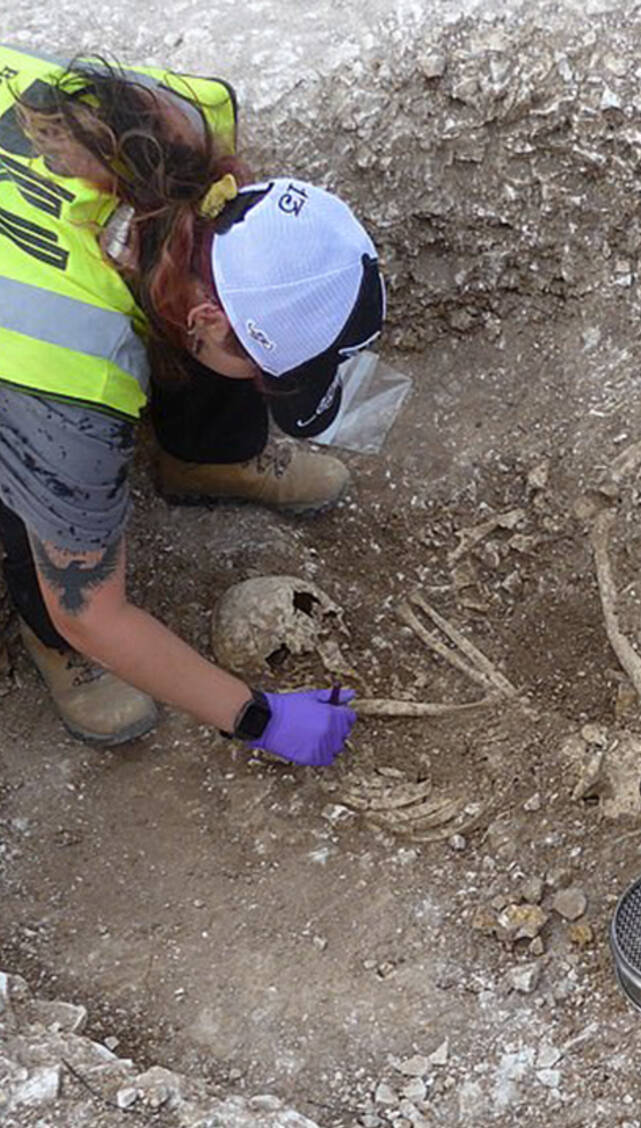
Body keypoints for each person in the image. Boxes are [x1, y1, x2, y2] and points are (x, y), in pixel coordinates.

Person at [1, 47, 384, 763]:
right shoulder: (70, 365)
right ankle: (43, 642)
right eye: (270, 376)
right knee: (33, 470)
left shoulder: (186, 124)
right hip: (18, 343)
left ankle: (204, 457)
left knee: (203, 298)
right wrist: (257, 718)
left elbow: (220, 280)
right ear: (205, 318)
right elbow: (95, 613)